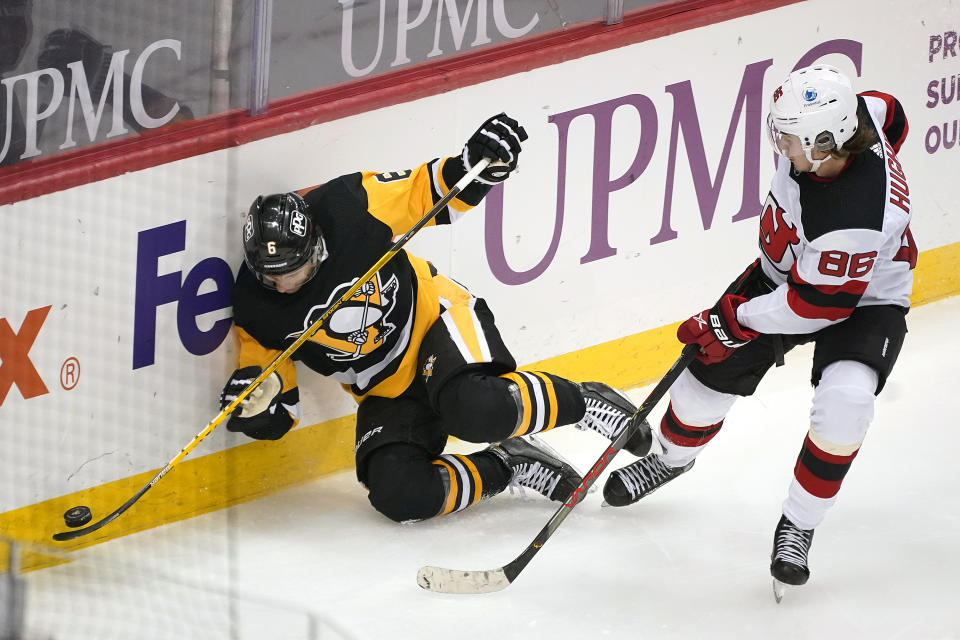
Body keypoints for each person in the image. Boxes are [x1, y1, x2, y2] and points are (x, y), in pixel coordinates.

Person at [219, 113, 652, 523]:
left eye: (292, 273)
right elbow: (280, 412)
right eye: (270, 277)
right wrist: (259, 401)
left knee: (475, 409)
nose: (282, 287)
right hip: (385, 388)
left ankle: (583, 400)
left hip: (437, 323)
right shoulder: (257, 309)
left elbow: (429, 192)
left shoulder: (348, 207)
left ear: (313, 245)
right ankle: (509, 463)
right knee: (398, 493)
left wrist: (476, 163)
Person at [603, 64, 914, 596]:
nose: (779, 144)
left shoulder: (853, 218)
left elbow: (816, 308)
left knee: (846, 404)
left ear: (827, 142)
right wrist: (733, 322)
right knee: (698, 390)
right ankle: (671, 461)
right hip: (788, 276)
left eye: (790, 138)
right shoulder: (861, 113)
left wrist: (733, 319)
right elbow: (894, 114)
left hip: (863, 300)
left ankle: (798, 525)